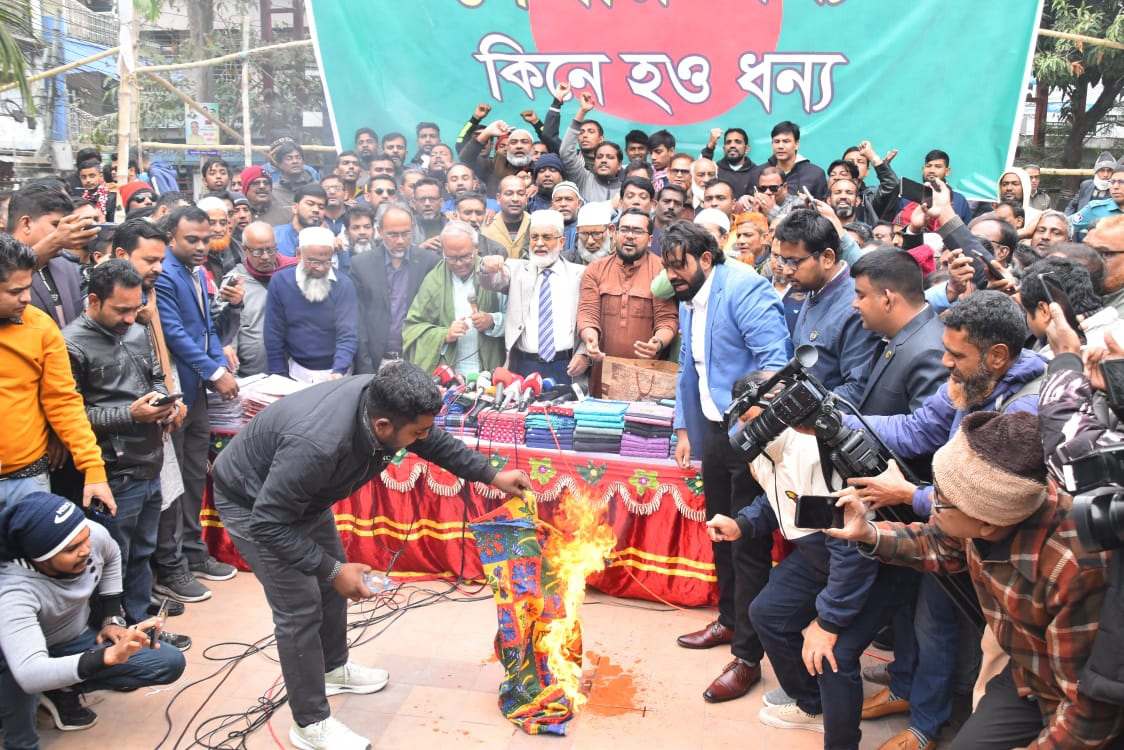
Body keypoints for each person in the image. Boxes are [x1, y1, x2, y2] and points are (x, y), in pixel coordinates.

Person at [211, 363, 530, 749]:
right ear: (382, 427)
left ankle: (332, 668)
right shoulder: (318, 445)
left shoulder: (385, 404)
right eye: (415, 432)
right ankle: (310, 724)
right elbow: (268, 524)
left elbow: (432, 440)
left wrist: (491, 475)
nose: (422, 438)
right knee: (299, 606)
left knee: (330, 587)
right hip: (254, 506)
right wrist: (332, 568)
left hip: (303, 500)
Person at [830, 411, 1124, 749]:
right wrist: (868, 533)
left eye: (939, 501)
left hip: (1082, 704)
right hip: (1029, 678)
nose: (930, 504)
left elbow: (1091, 709)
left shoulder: (1073, 571)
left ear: (987, 525)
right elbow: (938, 543)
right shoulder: (989, 516)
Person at [706, 377, 914, 745]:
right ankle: (813, 704)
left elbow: (853, 551)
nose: (748, 431)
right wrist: (741, 525)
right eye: (742, 421)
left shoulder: (815, 453)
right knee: (767, 613)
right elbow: (782, 502)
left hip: (872, 562)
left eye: (756, 420)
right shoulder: (765, 448)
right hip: (820, 552)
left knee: (833, 653)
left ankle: (841, 738)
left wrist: (829, 622)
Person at [663, 219, 791, 703]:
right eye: (668, 267)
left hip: (750, 435)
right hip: (714, 433)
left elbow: (774, 363)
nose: (673, 276)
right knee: (719, 534)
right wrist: (683, 428)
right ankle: (729, 620)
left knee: (747, 547)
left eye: (680, 266)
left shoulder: (745, 288)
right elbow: (688, 369)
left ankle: (747, 657)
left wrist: (751, 430)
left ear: (706, 258)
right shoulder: (689, 293)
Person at [61, 260, 186, 636]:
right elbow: (70, 416)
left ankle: (139, 623)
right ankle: (116, 631)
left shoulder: (135, 329)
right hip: (109, 469)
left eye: (136, 308)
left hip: (149, 459)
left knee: (143, 551)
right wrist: (130, 415)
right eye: (121, 310)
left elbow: (154, 378)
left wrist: (168, 403)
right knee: (116, 555)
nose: (132, 318)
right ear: (94, 300)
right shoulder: (70, 343)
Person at [0, 492, 185, 744]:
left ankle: (60, 689)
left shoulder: (88, 533)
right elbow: (30, 672)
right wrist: (105, 657)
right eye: (72, 549)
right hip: (19, 658)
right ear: (39, 558)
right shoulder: (13, 592)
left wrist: (111, 616)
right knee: (21, 689)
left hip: (71, 640)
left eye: (85, 540)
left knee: (168, 661)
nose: (86, 551)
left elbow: (111, 555)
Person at [153, 205, 239, 604]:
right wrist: (214, 372)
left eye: (206, 239)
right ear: (171, 237)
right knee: (172, 484)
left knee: (191, 476)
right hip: (176, 392)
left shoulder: (197, 272)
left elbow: (205, 331)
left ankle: (192, 552)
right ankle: (170, 567)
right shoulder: (165, 274)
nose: (203, 246)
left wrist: (219, 364)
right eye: (193, 240)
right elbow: (173, 335)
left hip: (197, 392)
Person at [0, 234, 113, 512]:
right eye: (15, 291)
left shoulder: (39, 326)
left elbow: (64, 401)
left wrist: (93, 468)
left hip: (27, 481)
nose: (26, 298)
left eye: (28, 287)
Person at [773, 209, 880, 405]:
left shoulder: (856, 306)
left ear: (827, 258)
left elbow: (857, 390)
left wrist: (798, 410)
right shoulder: (814, 286)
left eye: (795, 262)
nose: (786, 270)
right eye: (782, 260)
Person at [477, 209, 590, 385]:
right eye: (534, 237)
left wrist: (585, 354)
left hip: (567, 366)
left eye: (546, 237)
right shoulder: (516, 270)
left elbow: (591, 319)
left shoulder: (579, 274)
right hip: (524, 366)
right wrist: (486, 266)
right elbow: (491, 281)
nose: (539, 243)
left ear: (561, 242)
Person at [577, 208, 678, 395]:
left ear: (649, 240)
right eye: (624, 230)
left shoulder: (662, 271)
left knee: (641, 424)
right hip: (603, 373)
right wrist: (589, 338)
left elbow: (667, 319)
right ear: (614, 233)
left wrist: (658, 342)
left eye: (637, 231)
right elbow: (587, 313)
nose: (630, 236)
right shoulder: (595, 270)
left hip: (647, 376)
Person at [402, 220, 506, 377]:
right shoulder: (433, 281)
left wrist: (492, 321)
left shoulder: (494, 276)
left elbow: (517, 325)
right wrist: (444, 334)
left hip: (489, 373)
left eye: (465, 257)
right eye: (451, 258)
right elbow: (412, 329)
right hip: (447, 375)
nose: (458, 264)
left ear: (476, 249)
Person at [349, 204, 439, 373]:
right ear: (379, 231)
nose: (400, 241)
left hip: (417, 360)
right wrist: (366, 366)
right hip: (377, 362)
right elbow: (358, 322)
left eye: (406, 234)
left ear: (413, 229)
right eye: (392, 234)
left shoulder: (429, 262)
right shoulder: (361, 265)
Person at [265, 227, 358, 384]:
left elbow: (347, 333)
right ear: (299, 254)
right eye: (314, 261)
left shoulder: (344, 284)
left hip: (337, 373)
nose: (321, 268)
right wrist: (278, 375)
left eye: (327, 261)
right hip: (297, 372)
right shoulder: (280, 282)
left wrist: (339, 370)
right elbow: (274, 333)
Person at [217, 222, 297, 377]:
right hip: (252, 375)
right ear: (245, 249)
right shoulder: (235, 283)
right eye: (258, 252)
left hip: (293, 370)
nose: (266, 257)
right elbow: (226, 335)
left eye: (270, 249)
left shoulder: (291, 273)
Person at [7, 185, 90, 327]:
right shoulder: (4, 264)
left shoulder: (67, 264)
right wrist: (54, 242)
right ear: (26, 224)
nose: (65, 230)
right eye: (56, 224)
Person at [559, 92, 623, 203]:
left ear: (619, 165)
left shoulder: (626, 189)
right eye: (599, 157)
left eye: (609, 157)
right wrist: (582, 112)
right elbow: (566, 152)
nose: (603, 160)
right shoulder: (584, 178)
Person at [745, 121, 827, 200]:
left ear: (796, 144)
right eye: (777, 142)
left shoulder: (815, 174)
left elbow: (821, 210)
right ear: (772, 144)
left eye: (786, 141)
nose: (780, 146)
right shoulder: (757, 173)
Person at [480, 174, 531, 259]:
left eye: (521, 194)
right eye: (509, 194)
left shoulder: (535, 225)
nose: (515, 199)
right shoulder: (486, 227)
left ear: (526, 198)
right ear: (498, 198)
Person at [1070, 162, 1124, 239]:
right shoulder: (1095, 209)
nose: (1115, 186)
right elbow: (1064, 225)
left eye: (1122, 182)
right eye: (1112, 182)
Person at [274, 184, 328, 258]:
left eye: (321, 207)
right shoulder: (274, 237)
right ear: (295, 208)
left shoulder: (327, 241)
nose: (316, 210)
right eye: (310, 204)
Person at [700, 127, 756, 197]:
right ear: (724, 149)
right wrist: (711, 145)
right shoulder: (715, 170)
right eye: (728, 142)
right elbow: (700, 169)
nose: (732, 145)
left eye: (737, 142)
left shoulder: (756, 172)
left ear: (747, 148)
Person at [1065, 151, 1116, 215]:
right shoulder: (1086, 185)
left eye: (1109, 170)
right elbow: (1072, 206)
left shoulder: (1117, 189)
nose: (1105, 174)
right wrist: (1067, 221)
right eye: (1102, 170)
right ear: (1096, 171)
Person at [567, 201, 615, 266]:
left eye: (597, 234)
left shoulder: (624, 260)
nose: (590, 242)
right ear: (578, 230)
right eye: (584, 234)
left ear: (610, 230)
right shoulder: (566, 262)